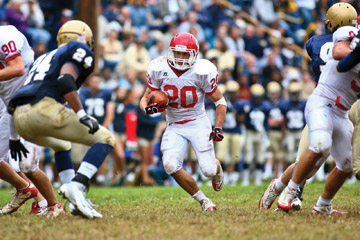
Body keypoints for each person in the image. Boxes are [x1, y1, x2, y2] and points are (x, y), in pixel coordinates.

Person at [7, 20, 116, 219]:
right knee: (106, 138)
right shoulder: (78, 50)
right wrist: (82, 115)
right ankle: (77, 185)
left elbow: (15, 99)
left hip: (20, 117)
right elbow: (65, 80)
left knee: (62, 145)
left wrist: (14, 139)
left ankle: (74, 200)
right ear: (86, 40)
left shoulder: (44, 57)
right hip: (43, 110)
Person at [259, 2, 358, 211]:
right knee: (312, 155)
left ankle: (322, 205)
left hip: (343, 110)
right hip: (323, 102)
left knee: (345, 163)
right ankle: (284, 190)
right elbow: (341, 56)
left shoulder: (320, 41)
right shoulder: (343, 38)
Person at [139, 32, 225, 211]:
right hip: (174, 125)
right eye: (177, 53)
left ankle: (216, 166)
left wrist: (218, 127)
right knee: (170, 164)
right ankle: (204, 200)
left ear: (194, 54)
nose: (180, 57)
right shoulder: (159, 68)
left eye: (185, 54)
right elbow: (145, 98)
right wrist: (148, 108)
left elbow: (220, 101)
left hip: (197, 122)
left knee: (208, 171)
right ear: (171, 52)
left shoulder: (201, 71)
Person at [0, 24, 39, 214]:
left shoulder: (5, 36)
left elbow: (17, 69)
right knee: (16, 160)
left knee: (24, 162)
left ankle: (44, 200)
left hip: (22, 103)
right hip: (8, 102)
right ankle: (34, 195)